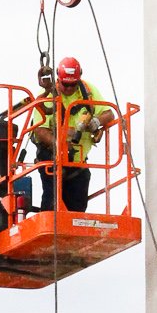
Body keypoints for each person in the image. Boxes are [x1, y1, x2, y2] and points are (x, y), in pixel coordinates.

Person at [29, 56, 116, 213]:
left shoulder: (88, 91)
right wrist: (58, 144)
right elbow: (39, 130)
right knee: (52, 205)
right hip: (52, 160)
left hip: (78, 163)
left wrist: (96, 121)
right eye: (65, 84)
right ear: (58, 78)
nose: (69, 88)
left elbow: (110, 113)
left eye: (72, 84)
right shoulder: (47, 96)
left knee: (77, 211)